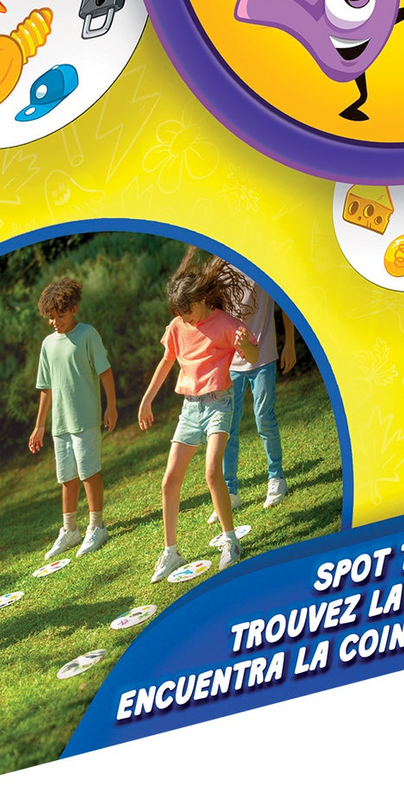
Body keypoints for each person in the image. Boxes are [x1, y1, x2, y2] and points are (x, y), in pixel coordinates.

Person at [139, 248, 256, 580]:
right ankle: (170, 553)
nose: (185, 318)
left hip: (219, 403)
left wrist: (244, 344)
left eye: (188, 311)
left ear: (203, 299)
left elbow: (252, 354)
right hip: (190, 408)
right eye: (180, 313)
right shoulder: (178, 326)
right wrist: (147, 400)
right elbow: (166, 362)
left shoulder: (226, 324)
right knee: (169, 480)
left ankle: (230, 541)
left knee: (211, 471)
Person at [28, 276, 117, 558]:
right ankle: (70, 530)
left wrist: (111, 407)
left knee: (89, 472)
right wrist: (39, 425)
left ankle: (97, 525)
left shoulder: (88, 334)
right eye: (51, 317)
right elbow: (46, 388)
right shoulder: (47, 344)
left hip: (86, 419)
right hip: (60, 424)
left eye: (60, 315)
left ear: (74, 308)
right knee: (67, 477)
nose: (55, 322)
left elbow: (105, 372)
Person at [214, 277, 296, 521]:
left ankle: (276, 477)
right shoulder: (220, 268)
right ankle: (230, 492)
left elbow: (285, 301)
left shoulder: (261, 269)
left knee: (264, 419)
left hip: (263, 357)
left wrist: (289, 343)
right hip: (231, 362)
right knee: (227, 427)